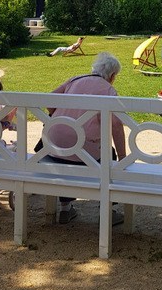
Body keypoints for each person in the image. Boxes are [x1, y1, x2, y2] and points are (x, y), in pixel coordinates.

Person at [45, 52, 126, 224]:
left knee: (73, 145)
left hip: (53, 148)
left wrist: (61, 119)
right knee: (109, 155)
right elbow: (116, 126)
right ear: (112, 76)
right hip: (84, 155)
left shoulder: (75, 80)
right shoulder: (108, 90)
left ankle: (65, 208)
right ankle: (108, 212)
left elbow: (49, 102)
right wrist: (124, 158)